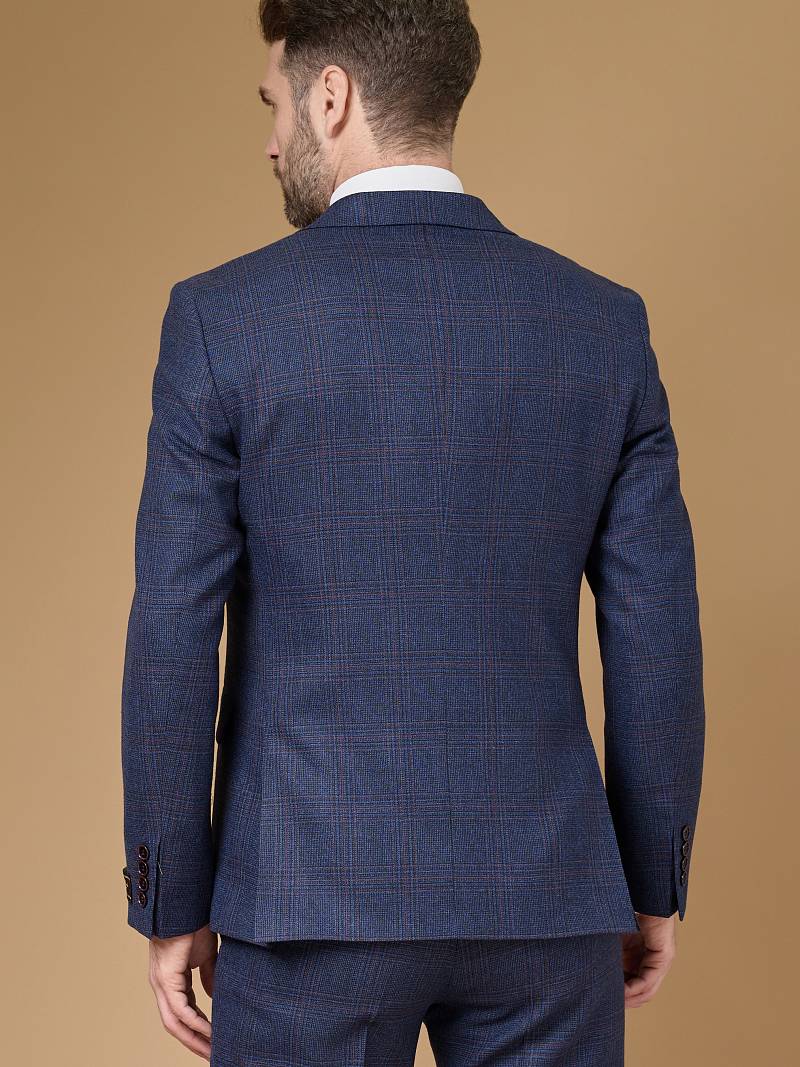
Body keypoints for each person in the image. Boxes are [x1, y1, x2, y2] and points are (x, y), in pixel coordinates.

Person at [120, 2, 705, 1064]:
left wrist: (172, 898)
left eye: (274, 104)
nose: (270, 139)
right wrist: (650, 881)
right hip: (548, 897)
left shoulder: (223, 321)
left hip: (303, 901)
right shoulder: (600, 324)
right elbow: (654, 633)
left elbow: (173, 626)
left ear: (330, 96)